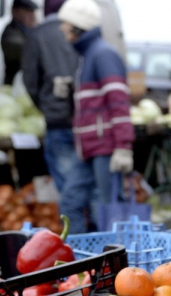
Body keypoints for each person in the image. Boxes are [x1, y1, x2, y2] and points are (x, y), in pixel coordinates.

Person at [57, 0, 134, 233]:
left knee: (108, 210)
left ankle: (115, 263)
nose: (62, 29)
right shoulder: (88, 55)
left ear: (78, 27)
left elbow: (119, 103)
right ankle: (80, 264)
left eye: (65, 24)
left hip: (105, 149)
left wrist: (123, 147)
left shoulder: (103, 55)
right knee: (70, 203)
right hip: (89, 148)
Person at [21, 0, 79, 193]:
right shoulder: (81, 31)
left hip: (56, 117)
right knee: (85, 182)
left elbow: (30, 80)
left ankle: (75, 223)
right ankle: (92, 222)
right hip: (83, 119)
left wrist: (44, 105)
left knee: (67, 184)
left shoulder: (38, 34)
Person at [1, 0, 37, 85]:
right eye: (27, 12)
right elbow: (26, 51)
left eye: (32, 12)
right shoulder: (10, 33)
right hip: (16, 87)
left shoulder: (29, 30)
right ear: (15, 12)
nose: (32, 16)